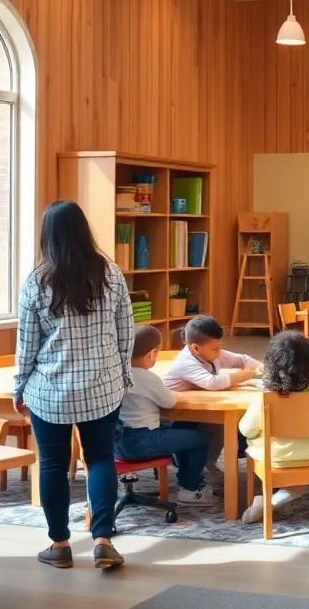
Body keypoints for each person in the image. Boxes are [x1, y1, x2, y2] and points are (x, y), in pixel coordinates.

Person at [15, 200, 133, 571]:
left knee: (52, 463)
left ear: (47, 235)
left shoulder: (37, 281)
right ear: (84, 230)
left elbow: (27, 343)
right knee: (99, 459)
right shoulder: (110, 274)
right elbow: (125, 332)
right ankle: (102, 540)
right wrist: (123, 375)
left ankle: (60, 544)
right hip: (103, 387)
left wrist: (19, 386)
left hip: (50, 391)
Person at [114, 325, 213, 506]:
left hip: (115, 443)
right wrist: (179, 390)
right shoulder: (147, 377)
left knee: (182, 426)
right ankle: (190, 489)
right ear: (152, 354)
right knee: (201, 438)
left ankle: (180, 467)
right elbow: (169, 402)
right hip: (142, 441)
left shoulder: (116, 373)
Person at [239, 330, 309, 524]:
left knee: (256, 440)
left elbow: (246, 430)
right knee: (300, 476)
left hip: (276, 458)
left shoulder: (266, 397)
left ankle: (268, 502)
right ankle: (281, 500)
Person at [162, 315, 262, 483]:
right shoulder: (186, 361)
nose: (219, 353)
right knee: (213, 430)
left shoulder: (212, 354)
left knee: (220, 426)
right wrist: (248, 373)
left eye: (220, 347)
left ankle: (209, 464)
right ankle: (191, 470)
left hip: (199, 405)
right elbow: (213, 383)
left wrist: (256, 366)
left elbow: (243, 359)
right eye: (215, 349)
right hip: (177, 412)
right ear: (195, 348)